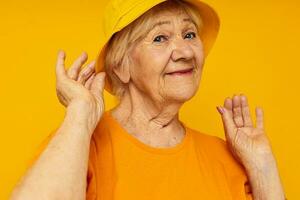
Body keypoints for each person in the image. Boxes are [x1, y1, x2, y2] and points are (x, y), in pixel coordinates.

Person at [10, 0, 286, 199]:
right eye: (159, 38)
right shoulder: (78, 144)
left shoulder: (227, 158)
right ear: (121, 66)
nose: (185, 51)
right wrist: (79, 114)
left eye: (189, 34)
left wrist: (263, 167)